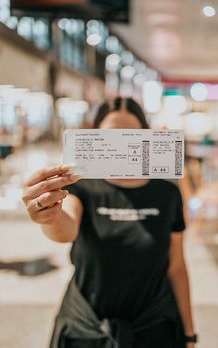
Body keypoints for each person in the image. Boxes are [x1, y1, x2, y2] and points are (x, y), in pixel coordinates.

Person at [22, 97, 197, 348]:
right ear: (96, 139)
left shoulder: (166, 192)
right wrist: (48, 214)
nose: (122, 147)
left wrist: (189, 334)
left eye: (131, 136)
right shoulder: (81, 187)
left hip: (154, 328)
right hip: (87, 330)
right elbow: (65, 228)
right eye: (112, 138)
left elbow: (177, 267)